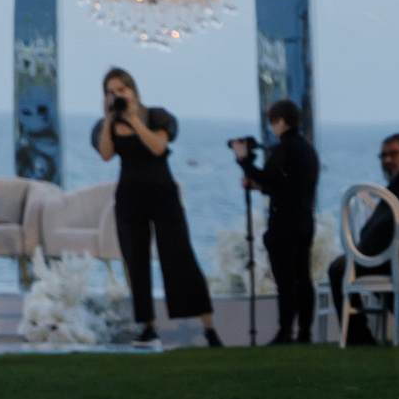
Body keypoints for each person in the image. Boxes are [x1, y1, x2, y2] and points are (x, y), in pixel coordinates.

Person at [92, 68, 220, 347]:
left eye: (121, 90)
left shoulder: (156, 116)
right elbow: (105, 155)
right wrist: (109, 119)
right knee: (135, 261)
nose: (117, 96)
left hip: (163, 193)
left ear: (133, 90)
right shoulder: (106, 125)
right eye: (111, 92)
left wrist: (134, 120)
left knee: (180, 256)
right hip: (129, 196)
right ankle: (147, 326)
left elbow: (158, 147)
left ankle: (208, 328)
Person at [326, 133, 399, 343]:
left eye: (393, 154)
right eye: (383, 156)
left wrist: (358, 253)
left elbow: (383, 226)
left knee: (339, 270)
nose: (387, 160)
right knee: (373, 274)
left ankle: (358, 335)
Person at [232, 98, 320, 343]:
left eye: (273, 123)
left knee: (285, 279)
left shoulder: (284, 149)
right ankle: (304, 331)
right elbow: (284, 184)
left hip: (284, 222)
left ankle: (285, 331)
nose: (272, 128)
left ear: (281, 121)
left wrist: (243, 160)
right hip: (305, 218)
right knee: (303, 277)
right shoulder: (307, 149)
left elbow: (269, 179)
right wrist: (260, 184)